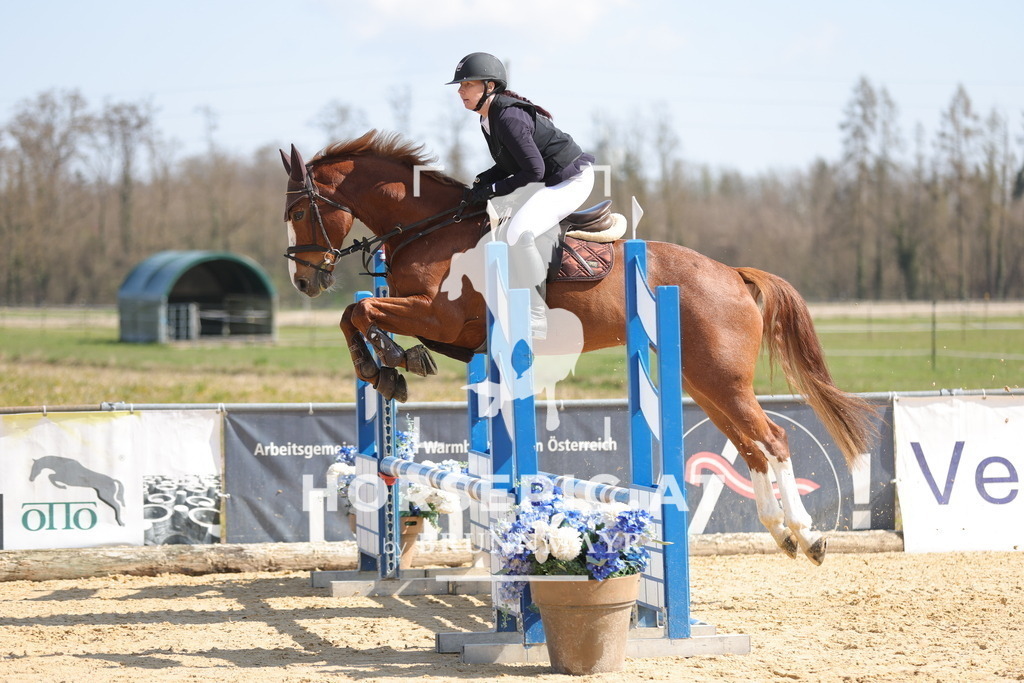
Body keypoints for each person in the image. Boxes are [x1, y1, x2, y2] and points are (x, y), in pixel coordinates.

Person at [447, 52, 595, 339]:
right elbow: (509, 164)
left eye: (467, 84)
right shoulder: (488, 118)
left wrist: (491, 191)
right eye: (460, 85)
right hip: (550, 178)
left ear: (489, 86)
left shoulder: (508, 116)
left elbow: (534, 171)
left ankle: (537, 314)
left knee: (518, 231)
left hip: (570, 179)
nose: (460, 91)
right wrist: (482, 182)